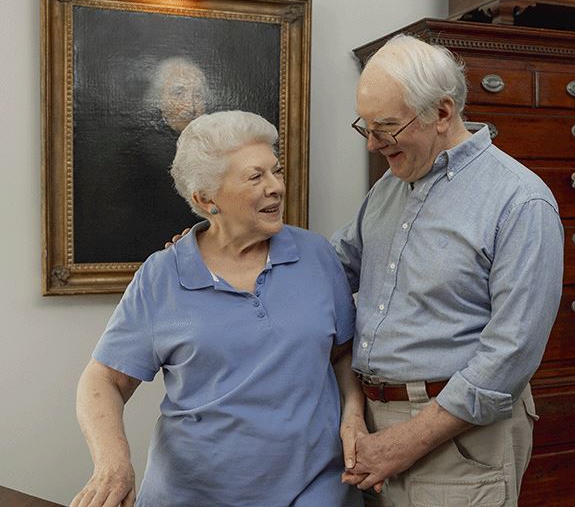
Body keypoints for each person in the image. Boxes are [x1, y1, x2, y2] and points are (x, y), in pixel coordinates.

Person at [71, 111, 364, 507]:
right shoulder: (163, 275)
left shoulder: (316, 256)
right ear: (206, 199)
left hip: (315, 491)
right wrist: (113, 464)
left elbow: (343, 355)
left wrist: (353, 414)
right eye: (255, 177)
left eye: (275, 171)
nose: (276, 187)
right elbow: (102, 382)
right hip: (191, 495)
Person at [334, 34, 564, 506]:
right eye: (367, 127)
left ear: (442, 113)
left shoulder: (520, 201)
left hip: (455, 438)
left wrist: (408, 441)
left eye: (388, 128)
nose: (375, 144)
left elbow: (510, 355)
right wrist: (222, 248)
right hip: (371, 428)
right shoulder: (388, 188)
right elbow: (332, 271)